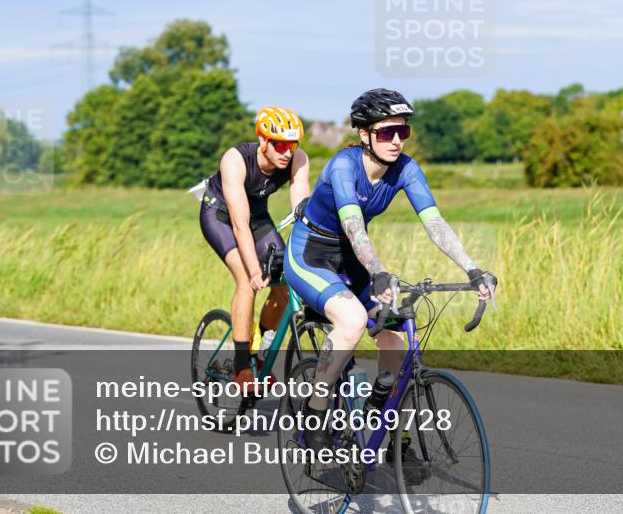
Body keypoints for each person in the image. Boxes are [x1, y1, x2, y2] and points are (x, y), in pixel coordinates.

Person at [283, 88, 497, 452]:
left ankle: (382, 413)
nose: (397, 140)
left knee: (393, 333)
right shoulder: (343, 167)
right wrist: (380, 271)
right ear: (364, 133)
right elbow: (353, 225)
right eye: (386, 132)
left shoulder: (406, 170)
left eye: (403, 132)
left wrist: (472, 269)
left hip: (352, 258)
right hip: (312, 253)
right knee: (350, 322)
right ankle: (315, 410)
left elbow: (435, 223)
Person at [198, 106, 310, 388]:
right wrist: (252, 270)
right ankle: (240, 366)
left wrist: (309, 257)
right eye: (280, 145)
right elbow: (239, 224)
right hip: (221, 216)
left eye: (292, 144)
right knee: (247, 282)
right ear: (263, 141)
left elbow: (302, 211)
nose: (287, 152)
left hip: (258, 218)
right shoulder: (235, 159)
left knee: (285, 283)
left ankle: (260, 352)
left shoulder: (298, 159)